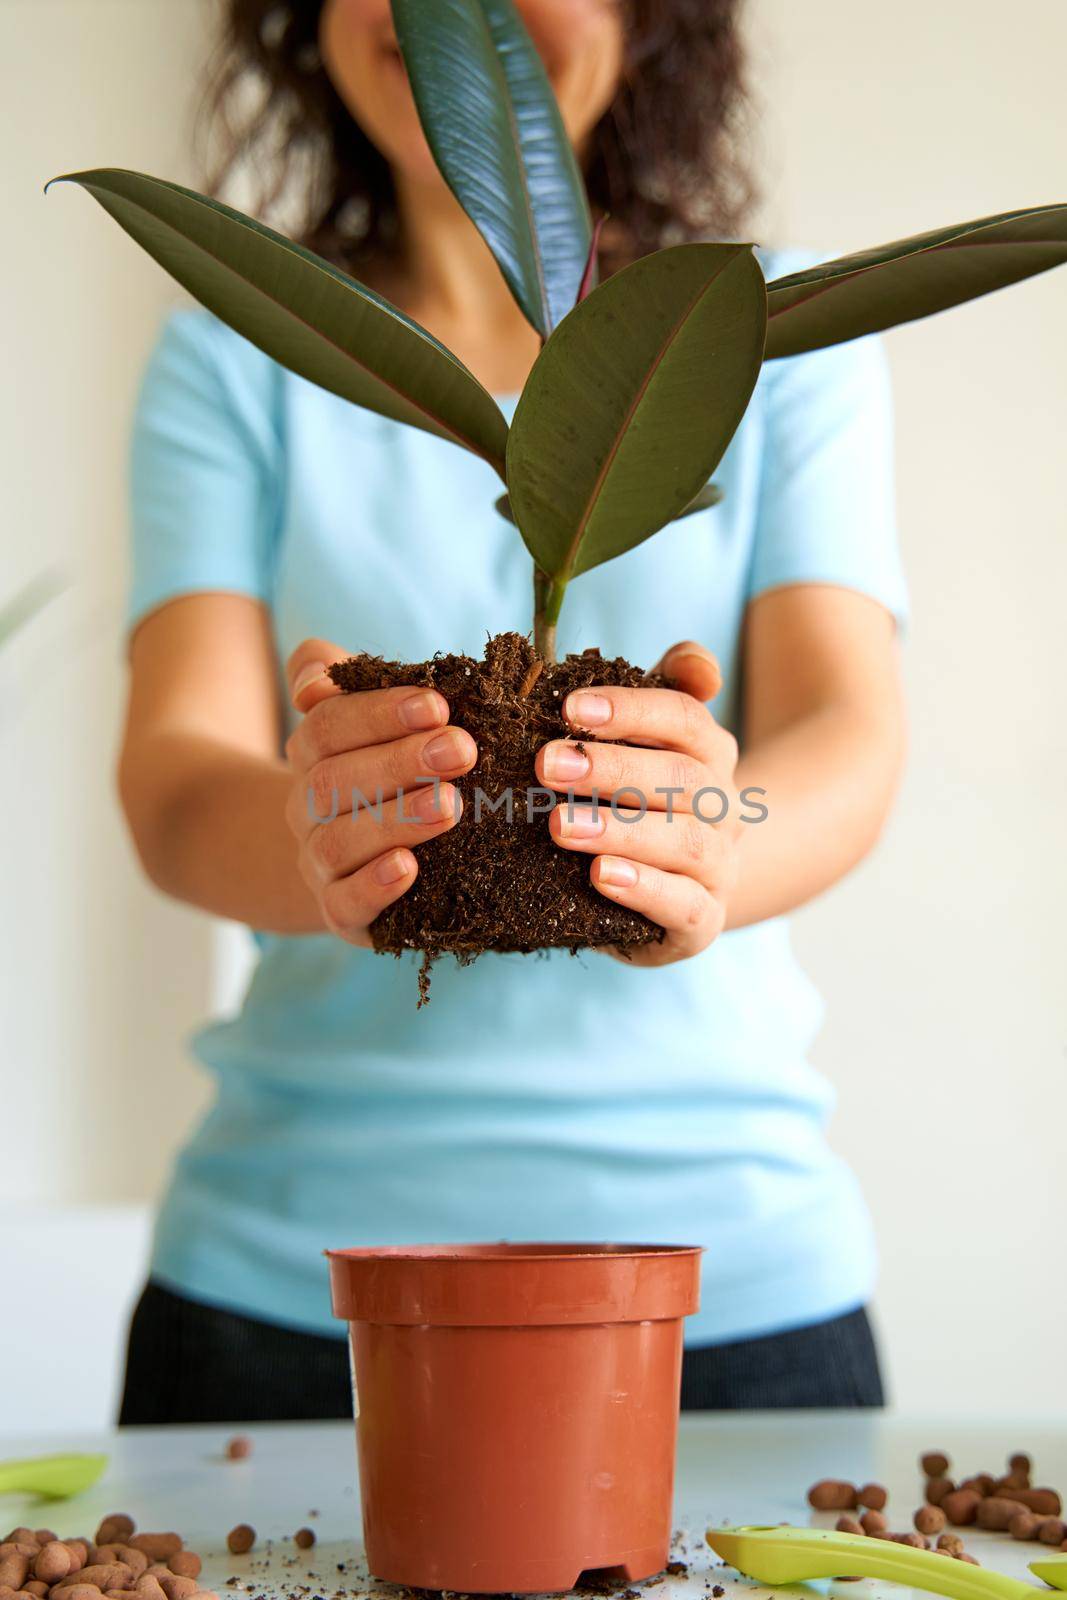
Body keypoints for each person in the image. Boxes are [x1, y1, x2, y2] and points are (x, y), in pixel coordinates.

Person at [117, 0, 906, 1423]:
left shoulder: (764, 339)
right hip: (292, 1290)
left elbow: (848, 739)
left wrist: (708, 841)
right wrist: (317, 831)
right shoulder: (247, 352)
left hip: (729, 1281)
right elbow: (176, 788)